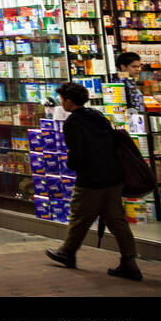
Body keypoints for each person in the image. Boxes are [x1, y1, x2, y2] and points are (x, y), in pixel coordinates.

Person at [45, 82, 142, 280]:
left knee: (79, 216)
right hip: (114, 176)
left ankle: (67, 252)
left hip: (91, 179)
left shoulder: (72, 122)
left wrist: (71, 164)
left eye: (62, 99)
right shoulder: (98, 116)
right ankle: (129, 261)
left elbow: (77, 153)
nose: (61, 103)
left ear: (69, 101)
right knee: (117, 220)